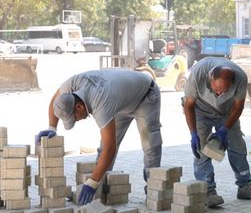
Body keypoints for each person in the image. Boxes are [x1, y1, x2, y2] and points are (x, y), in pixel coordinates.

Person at [35, 69, 162, 205]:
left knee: (150, 145)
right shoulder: (71, 85)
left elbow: (110, 148)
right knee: (103, 151)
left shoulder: (101, 105)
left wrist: (92, 182)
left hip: (145, 96)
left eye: (75, 118)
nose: (76, 121)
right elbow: (56, 99)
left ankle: (153, 191)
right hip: (120, 101)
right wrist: (52, 127)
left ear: (79, 107)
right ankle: (101, 194)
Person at [183, 57, 251, 208]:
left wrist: (225, 129)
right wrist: (193, 133)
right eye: (216, 90)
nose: (219, 94)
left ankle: (245, 186)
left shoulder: (240, 77)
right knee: (202, 150)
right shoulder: (197, 74)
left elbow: (238, 106)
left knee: (237, 146)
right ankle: (208, 191)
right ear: (210, 78)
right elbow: (188, 105)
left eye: (224, 91)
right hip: (201, 112)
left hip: (227, 112)